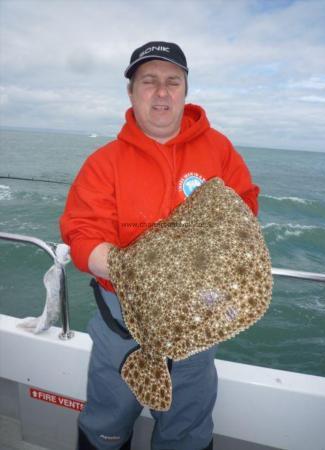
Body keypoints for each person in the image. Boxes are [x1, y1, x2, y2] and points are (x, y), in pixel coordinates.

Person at [60, 41, 259, 450]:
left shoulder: (218, 148)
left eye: (173, 81)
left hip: (199, 315)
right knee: (106, 426)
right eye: (149, 81)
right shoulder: (104, 162)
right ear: (132, 92)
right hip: (121, 321)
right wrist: (130, 268)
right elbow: (82, 235)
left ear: (186, 90)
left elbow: (245, 207)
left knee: (187, 431)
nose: (162, 91)